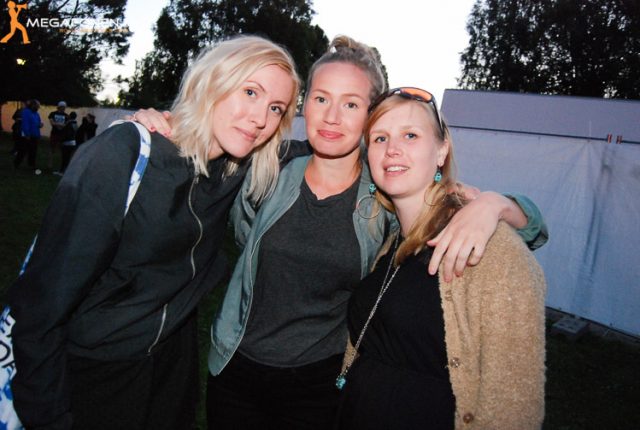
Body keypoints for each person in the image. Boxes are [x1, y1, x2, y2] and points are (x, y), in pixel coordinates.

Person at [132, 36, 547, 430]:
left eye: (351, 103)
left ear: (370, 117)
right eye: (321, 99)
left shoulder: (386, 192)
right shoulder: (267, 166)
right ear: (304, 105)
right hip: (236, 372)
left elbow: (529, 227)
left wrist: (494, 204)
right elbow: (204, 145)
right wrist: (162, 123)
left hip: (320, 385)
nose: (332, 117)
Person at [8, 35, 300, 430]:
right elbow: (40, 308)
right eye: (250, 92)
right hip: (98, 370)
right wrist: (49, 418)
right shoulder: (121, 154)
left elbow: (327, 146)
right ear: (212, 80)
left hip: (173, 368)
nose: (260, 118)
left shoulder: (236, 166)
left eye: (276, 108)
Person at [336, 88, 546, 429]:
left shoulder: (492, 248)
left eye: (410, 135)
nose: (392, 149)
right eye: (380, 138)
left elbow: (514, 404)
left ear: (441, 151)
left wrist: (496, 203)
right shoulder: (391, 240)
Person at [14, 99, 43, 175]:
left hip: (35, 135)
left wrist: (40, 125)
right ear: (33, 105)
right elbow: (25, 124)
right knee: (23, 150)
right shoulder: (26, 112)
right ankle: (16, 164)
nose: (38, 107)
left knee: (33, 151)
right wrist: (27, 134)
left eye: (38, 106)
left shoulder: (36, 113)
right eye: (37, 106)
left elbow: (38, 122)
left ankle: (31, 165)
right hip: (27, 135)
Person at [47, 101, 69, 170]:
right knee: (51, 148)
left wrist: (57, 124)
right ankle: (49, 164)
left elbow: (66, 125)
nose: (64, 108)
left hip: (62, 135)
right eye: (63, 107)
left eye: (65, 107)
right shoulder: (53, 114)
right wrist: (60, 125)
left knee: (62, 149)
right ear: (60, 107)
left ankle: (60, 164)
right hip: (54, 133)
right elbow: (52, 123)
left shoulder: (66, 115)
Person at [56, 111, 78, 175]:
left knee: (64, 158)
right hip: (73, 142)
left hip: (67, 143)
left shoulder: (69, 124)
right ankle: (65, 171)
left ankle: (62, 171)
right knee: (68, 158)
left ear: (70, 116)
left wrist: (61, 141)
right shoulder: (75, 124)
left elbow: (66, 134)